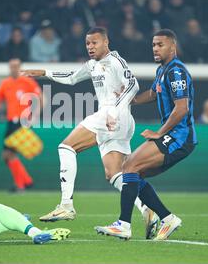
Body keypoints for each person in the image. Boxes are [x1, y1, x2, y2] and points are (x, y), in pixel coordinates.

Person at [21, 27, 156, 233]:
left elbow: (133, 86)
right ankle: (147, 210)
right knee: (115, 173)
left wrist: (115, 111)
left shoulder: (115, 61)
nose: (90, 47)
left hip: (112, 115)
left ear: (106, 42)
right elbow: (72, 77)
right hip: (118, 121)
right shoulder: (92, 65)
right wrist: (45, 73)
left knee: (66, 147)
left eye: (94, 43)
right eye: (87, 44)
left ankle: (66, 205)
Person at [95, 29, 197, 240]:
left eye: (160, 44)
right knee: (134, 173)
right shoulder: (163, 70)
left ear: (173, 46)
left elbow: (182, 109)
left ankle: (123, 224)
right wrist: (129, 98)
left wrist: (159, 133)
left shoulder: (176, 71)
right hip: (174, 135)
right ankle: (168, 219)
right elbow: (152, 93)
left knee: (129, 166)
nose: (155, 49)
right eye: (153, 45)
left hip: (180, 136)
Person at [0, 58, 42, 192]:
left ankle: (21, 185)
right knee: (8, 156)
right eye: (11, 66)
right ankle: (26, 181)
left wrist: (35, 114)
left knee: (9, 155)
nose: (13, 69)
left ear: (20, 67)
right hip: (10, 122)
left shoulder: (27, 82)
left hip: (21, 122)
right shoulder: (5, 83)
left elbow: (39, 97)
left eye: (16, 66)